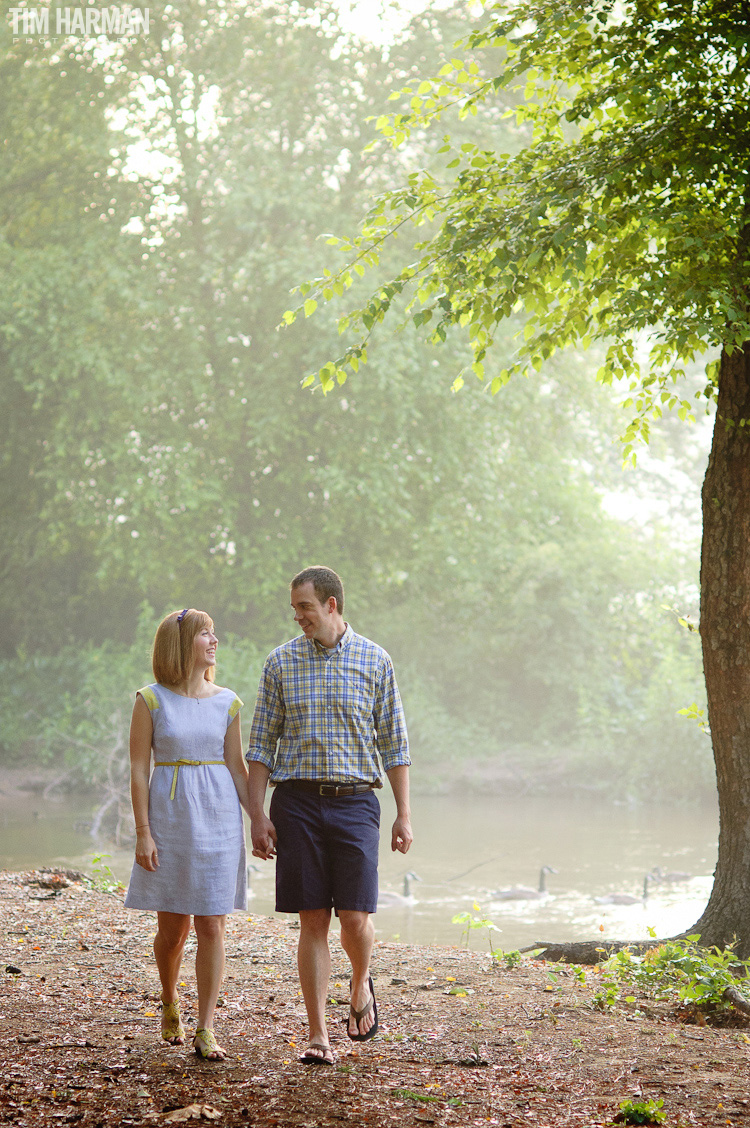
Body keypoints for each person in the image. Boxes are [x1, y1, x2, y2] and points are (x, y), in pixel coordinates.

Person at [246, 566, 413, 1066]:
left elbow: (396, 744)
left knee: (356, 918)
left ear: (332, 605)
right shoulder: (279, 663)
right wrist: (257, 814)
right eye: (295, 608)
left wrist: (404, 813)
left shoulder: (375, 660)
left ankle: (360, 982)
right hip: (295, 803)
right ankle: (318, 1033)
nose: (297, 616)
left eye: (305, 607)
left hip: (358, 800)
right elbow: (260, 747)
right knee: (312, 918)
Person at [125, 608, 250, 1061]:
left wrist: (259, 819)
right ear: (181, 645)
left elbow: (237, 768)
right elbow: (139, 769)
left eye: (214, 632)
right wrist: (144, 832)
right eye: (204, 634)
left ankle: (206, 1027)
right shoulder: (151, 700)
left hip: (218, 819)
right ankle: (169, 998)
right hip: (171, 820)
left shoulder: (228, 702)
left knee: (213, 924)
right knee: (173, 930)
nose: (214, 640)